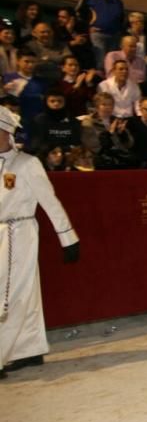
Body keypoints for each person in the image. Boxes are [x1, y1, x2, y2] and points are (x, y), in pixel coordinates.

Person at [0, 106, 80, 379]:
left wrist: (67, 237)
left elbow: (50, 201)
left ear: (6, 133)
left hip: (18, 234)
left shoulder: (27, 164)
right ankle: (28, 349)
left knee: (12, 295)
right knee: (23, 292)